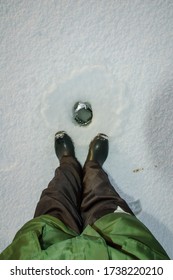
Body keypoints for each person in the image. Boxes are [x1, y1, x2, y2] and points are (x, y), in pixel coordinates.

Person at [0, 131, 170, 260]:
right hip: (124, 252)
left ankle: (68, 163)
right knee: (104, 201)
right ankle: (92, 166)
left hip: (41, 256)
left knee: (55, 202)